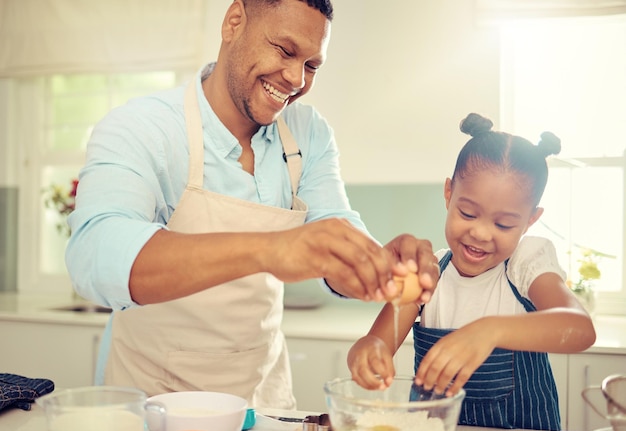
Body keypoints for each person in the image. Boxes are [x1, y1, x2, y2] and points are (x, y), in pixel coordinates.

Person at [65, 0, 440, 410]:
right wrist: (269, 250)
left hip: (260, 402)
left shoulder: (307, 134)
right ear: (234, 22)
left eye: (312, 65)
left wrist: (377, 262)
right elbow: (95, 255)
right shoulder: (142, 128)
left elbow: (335, 225)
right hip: (151, 401)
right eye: (284, 50)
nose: (296, 79)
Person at [347, 113, 597, 430]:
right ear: (449, 193)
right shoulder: (429, 272)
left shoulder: (526, 264)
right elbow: (376, 342)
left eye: (504, 224)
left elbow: (580, 330)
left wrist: (489, 330)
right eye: (468, 213)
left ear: (531, 219)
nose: (480, 233)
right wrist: (366, 353)